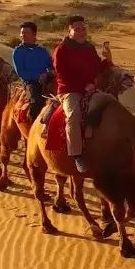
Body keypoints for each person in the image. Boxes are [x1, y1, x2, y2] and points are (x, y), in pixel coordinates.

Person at [52, 15, 112, 173]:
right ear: (69, 31)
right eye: (77, 29)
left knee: (110, 106)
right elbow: (61, 74)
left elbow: (97, 68)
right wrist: (83, 86)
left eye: (83, 29)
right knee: (73, 117)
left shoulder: (89, 48)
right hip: (69, 90)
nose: (81, 32)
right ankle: (77, 155)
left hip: (91, 88)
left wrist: (107, 60)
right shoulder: (61, 49)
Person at [12, 21, 52, 120]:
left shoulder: (42, 50)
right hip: (31, 83)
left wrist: (47, 73)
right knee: (36, 102)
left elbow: (51, 65)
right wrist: (39, 75)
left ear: (34, 34)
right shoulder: (18, 52)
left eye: (26, 33)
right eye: (22, 32)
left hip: (48, 79)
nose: (23, 35)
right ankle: (32, 127)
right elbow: (21, 73)